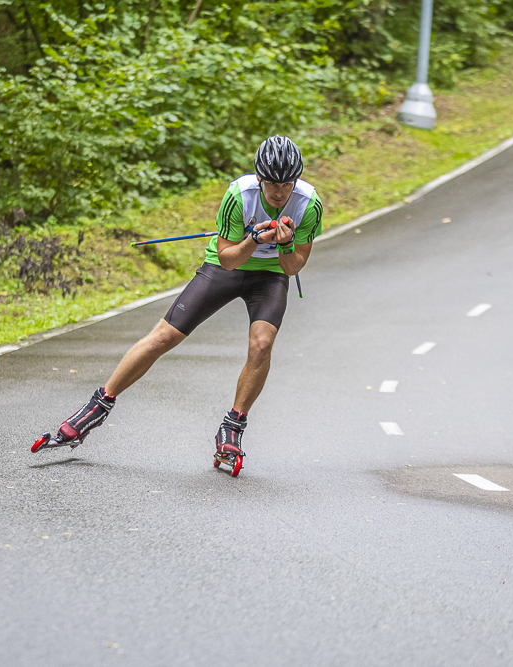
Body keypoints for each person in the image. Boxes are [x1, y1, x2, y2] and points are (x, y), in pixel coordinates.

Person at [33, 135, 323, 466]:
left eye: (287, 183)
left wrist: (285, 246)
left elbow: (292, 266)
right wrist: (253, 240)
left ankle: (233, 427)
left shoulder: (308, 203)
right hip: (226, 266)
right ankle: (96, 407)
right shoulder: (238, 195)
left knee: (262, 343)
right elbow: (228, 260)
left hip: (271, 276)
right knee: (165, 335)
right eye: (272, 182)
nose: (279, 191)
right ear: (259, 177)